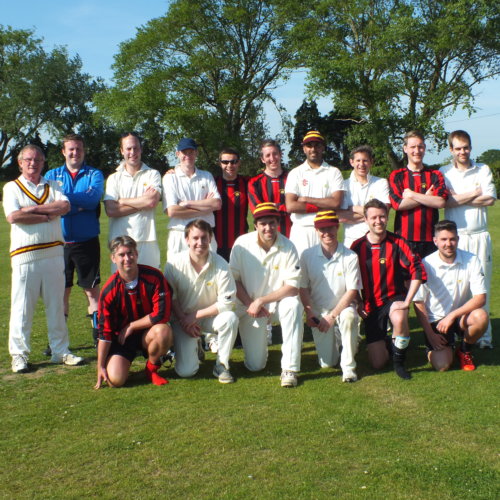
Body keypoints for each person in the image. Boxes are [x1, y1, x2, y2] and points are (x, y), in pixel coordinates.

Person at [3, 145, 84, 373]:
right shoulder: (12, 187)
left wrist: (33, 209)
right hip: (24, 256)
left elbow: (65, 206)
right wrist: (48, 214)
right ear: (20, 163)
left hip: (53, 253)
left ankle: (61, 351)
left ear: (43, 162)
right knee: (22, 309)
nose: (33, 163)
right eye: (28, 160)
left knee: (56, 306)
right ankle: (19, 355)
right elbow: (14, 216)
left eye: (37, 159)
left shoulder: (53, 185)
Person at [230, 202, 304, 387]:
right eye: (263, 223)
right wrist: (251, 303)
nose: (268, 228)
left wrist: (262, 300)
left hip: (277, 303)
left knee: (293, 305)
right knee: (256, 366)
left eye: (272, 223)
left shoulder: (288, 246)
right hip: (250, 308)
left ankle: (290, 368)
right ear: (255, 225)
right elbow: (234, 280)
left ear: (277, 223)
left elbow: (293, 287)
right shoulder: (241, 244)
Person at [351, 199, 426, 379]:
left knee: (399, 317)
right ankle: (388, 341)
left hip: (394, 299)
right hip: (371, 305)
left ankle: (399, 362)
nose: (379, 221)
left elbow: (417, 270)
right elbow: (350, 279)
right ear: (366, 220)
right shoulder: (357, 247)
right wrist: (359, 302)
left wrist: (407, 302)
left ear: (387, 217)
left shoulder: (399, 242)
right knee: (377, 363)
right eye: (374, 217)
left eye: (382, 216)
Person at [45, 133, 104, 348]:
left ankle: (98, 335)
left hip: (86, 241)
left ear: (84, 150)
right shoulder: (52, 175)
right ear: (63, 151)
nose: (75, 152)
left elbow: (92, 198)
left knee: (91, 290)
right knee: (62, 291)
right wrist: (77, 206)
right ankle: (58, 341)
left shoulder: (94, 174)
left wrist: (64, 204)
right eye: (70, 149)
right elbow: (51, 202)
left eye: (78, 148)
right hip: (58, 243)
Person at [440, 130, 496, 349]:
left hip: (480, 236)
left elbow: (490, 199)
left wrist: (458, 198)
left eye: (466, 147)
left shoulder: (483, 169)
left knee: (482, 287)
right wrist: (475, 192)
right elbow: (445, 202)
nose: (462, 152)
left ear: (470, 148)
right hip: (456, 239)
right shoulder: (444, 172)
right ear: (451, 150)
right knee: (456, 288)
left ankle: (484, 337)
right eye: (458, 148)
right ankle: (454, 333)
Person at [164, 219, 238, 383]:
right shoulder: (173, 264)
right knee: (186, 372)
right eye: (195, 238)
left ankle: (222, 365)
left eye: (204, 238)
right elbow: (171, 297)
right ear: (187, 240)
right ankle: (196, 345)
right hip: (182, 320)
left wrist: (194, 316)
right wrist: (185, 320)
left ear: (210, 238)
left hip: (209, 317)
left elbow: (227, 303)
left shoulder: (221, 264)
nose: (200, 243)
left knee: (230, 319)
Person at [95, 236, 173, 389]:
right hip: (123, 341)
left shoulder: (154, 277)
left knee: (163, 331)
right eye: (121, 255)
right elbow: (105, 332)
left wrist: (131, 326)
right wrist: (100, 366)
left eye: (130, 253)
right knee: (115, 380)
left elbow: (162, 314)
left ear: (136, 254)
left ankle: (152, 368)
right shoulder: (109, 290)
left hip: (148, 334)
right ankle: (122, 363)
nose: (127, 258)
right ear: (113, 258)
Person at [413, 220, 488, 371]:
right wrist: (430, 334)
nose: (449, 243)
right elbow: (418, 302)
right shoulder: (426, 264)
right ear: (435, 241)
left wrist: (452, 315)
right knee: (442, 365)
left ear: (458, 239)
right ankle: (437, 347)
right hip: (437, 320)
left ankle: (464, 350)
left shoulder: (471, 259)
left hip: (459, 317)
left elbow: (480, 298)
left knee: (481, 317)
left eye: (452, 239)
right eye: (444, 239)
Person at [300, 210, 362, 382]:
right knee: (327, 363)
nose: (327, 233)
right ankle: (341, 337)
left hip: (342, 309)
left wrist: (333, 316)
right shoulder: (307, 255)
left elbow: (352, 291)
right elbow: (303, 288)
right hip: (319, 312)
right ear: (316, 231)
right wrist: (310, 313)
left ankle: (349, 368)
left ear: (337, 227)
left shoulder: (350, 256)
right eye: (322, 229)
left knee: (349, 316)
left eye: (330, 228)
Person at [104, 132, 161, 271]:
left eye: (136, 148)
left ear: (141, 149)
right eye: (128, 149)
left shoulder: (153, 174)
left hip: (147, 241)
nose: (132, 152)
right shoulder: (113, 178)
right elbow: (111, 210)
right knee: (122, 289)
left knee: (149, 287)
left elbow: (152, 202)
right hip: (120, 243)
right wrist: (142, 203)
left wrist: (122, 201)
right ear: (122, 151)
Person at [388, 130, 448, 258]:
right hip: (404, 239)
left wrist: (411, 194)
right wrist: (427, 197)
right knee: (406, 278)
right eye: (413, 147)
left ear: (424, 148)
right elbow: (398, 205)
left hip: (430, 239)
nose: (417, 150)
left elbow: (441, 202)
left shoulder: (435, 175)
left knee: (431, 278)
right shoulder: (397, 176)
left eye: (420, 146)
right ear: (405, 149)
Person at [285, 130, 344, 256]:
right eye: (309, 145)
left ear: (323, 147)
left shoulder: (333, 172)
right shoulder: (295, 173)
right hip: (301, 231)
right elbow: (291, 206)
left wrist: (306, 199)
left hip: (326, 230)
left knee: (327, 272)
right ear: (304, 149)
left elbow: (336, 202)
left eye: (317, 145)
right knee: (301, 273)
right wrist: (324, 204)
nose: (313, 149)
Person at [162, 138, 221, 257]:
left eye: (191, 152)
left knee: (209, 274)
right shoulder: (170, 178)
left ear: (196, 153)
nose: (188, 156)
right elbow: (172, 211)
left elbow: (217, 204)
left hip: (205, 235)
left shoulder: (206, 176)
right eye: (184, 152)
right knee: (178, 275)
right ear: (177, 154)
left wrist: (187, 204)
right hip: (180, 234)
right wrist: (206, 206)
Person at [338, 145, 390, 248]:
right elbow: (341, 217)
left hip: (377, 241)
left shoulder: (381, 183)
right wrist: (374, 215)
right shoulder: (343, 185)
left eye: (365, 161)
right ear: (351, 162)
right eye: (358, 161)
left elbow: (385, 211)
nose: (361, 164)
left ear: (371, 162)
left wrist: (354, 208)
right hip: (350, 242)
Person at [248, 139, 291, 237]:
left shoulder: (292, 178)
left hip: (291, 234)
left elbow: (297, 205)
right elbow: (258, 210)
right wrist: (285, 206)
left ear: (280, 155)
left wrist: (275, 206)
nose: (272, 158)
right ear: (262, 159)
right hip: (265, 235)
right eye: (268, 155)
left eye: (275, 153)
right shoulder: (254, 182)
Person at [214, 147, 249, 261]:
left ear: (238, 163)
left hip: (241, 242)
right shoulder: (212, 182)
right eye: (225, 162)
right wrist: (175, 170)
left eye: (233, 162)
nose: (230, 165)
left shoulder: (247, 182)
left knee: (240, 278)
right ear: (220, 163)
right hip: (216, 243)